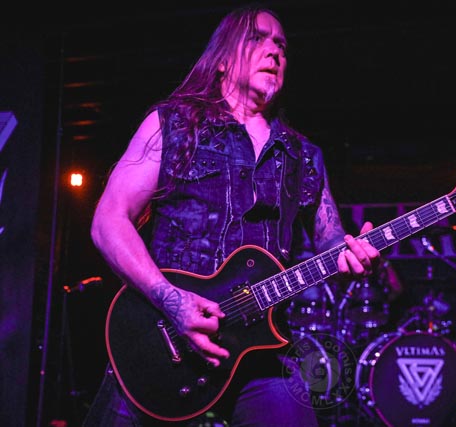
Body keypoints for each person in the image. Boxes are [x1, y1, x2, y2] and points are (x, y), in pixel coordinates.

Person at [82, 4, 380, 427]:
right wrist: (173, 301)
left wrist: (352, 253)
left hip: (262, 347)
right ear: (222, 60)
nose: (274, 51)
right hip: (163, 337)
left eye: (282, 45)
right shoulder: (174, 124)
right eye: (258, 38)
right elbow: (108, 221)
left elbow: (330, 240)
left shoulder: (304, 155)